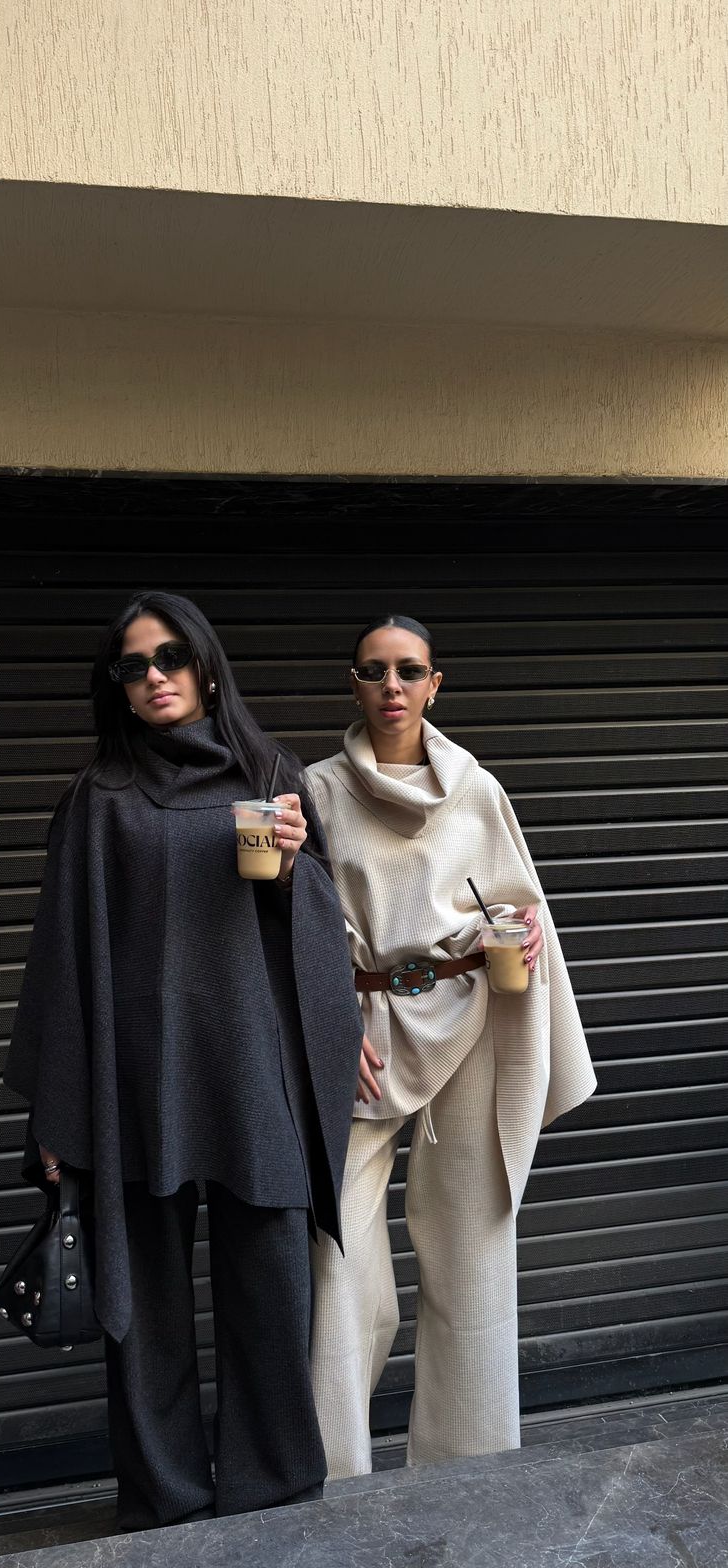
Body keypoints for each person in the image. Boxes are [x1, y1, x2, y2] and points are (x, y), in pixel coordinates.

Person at [3, 591, 363, 1530]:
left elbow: (317, 935)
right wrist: (57, 1113)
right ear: (117, 687)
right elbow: (61, 957)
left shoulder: (271, 773)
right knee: (149, 1306)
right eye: (134, 666)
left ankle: (272, 1486)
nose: (154, 676)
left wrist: (295, 873)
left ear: (205, 664)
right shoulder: (99, 799)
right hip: (136, 1083)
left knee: (272, 1289)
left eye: (170, 657)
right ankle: (165, 1497)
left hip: (251, 1073)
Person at [303, 614, 596, 1478]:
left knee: (474, 1247)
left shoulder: (477, 789)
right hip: (362, 1035)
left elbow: (521, 903)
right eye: (374, 670)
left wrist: (528, 933)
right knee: (337, 1254)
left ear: (436, 684)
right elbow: (293, 925)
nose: (391, 686)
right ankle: (335, 1468)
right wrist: (325, 1021)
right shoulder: (315, 791)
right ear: (353, 684)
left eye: (409, 670)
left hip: (472, 1018)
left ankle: (468, 1471)